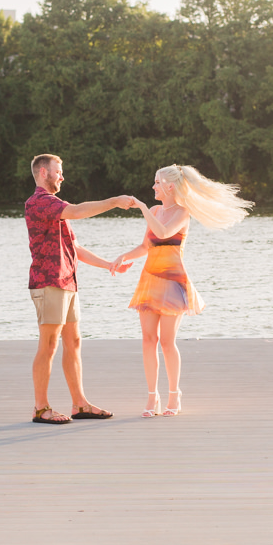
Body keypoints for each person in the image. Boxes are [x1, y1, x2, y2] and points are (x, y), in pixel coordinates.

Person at [113, 164, 252, 418]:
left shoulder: (182, 213)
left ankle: (174, 395)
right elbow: (146, 246)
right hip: (150, 280)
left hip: (173, 282)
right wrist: (123, 256)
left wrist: (142, 208)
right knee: (148, 340)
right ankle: (151, 397)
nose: (153, 186)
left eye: (157, 182)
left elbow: (164, 232)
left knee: (167, 341)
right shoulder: (156, 210)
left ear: (169, 186)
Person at [26, 153, 135, 425]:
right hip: (49, 282)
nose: (62, 176)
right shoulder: (40, 202)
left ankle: (80, 404)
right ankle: (41, 408)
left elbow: (73, 248)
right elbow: (77, 210)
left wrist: (108, 264)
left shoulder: (55, 208)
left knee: (73, 343)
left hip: (67, 282)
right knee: (49, 345)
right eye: (58, 171)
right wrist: (113, 202)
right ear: (43, 172)